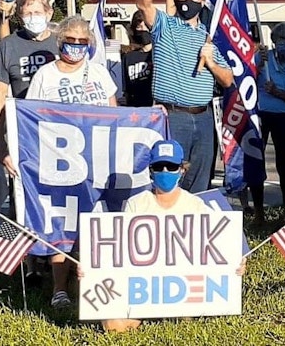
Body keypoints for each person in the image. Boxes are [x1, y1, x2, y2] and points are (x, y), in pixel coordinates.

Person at [90, 139, 244, 333]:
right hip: (143, 289)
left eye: (171, 166)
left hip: (184, 288)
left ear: (182, 170)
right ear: (150, 171)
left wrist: (233, 265)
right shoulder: (135, 204)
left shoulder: (196, 205)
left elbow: (217, 249)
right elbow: (120, 252)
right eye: (158, 166)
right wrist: (92, 270)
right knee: (113, 325)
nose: (164, 171)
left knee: (185, 322)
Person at [25, 15, 118, 309]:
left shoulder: (101, 73)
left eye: (82, 42)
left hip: (98, 162)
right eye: (71, 41)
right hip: (60, 164)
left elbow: (115, 115)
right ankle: (59, 289)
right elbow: (31, 117)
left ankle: (95, 283)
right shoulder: (45, 75)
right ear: (60, 40)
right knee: (62, 227)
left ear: (89, 44)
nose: (76, 46)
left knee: (98, 224)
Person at [136, 0, 234, 194]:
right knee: (168, 175)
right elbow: (143, 4)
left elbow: (228, 79)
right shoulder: (164, 26)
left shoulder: (208, 37)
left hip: (203, 117)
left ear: (202, 2)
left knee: (201, 178)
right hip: (173, 115)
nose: (188, 1)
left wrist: (211, 63)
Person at [0, 0, 59, 175]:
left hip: (59, 126)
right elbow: (0, 95)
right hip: (24, 130)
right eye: (28, 13)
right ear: (20, 16)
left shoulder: (61, 43)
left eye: (37, 12)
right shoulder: (10, 45)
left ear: (49, 13)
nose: (33, 17)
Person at [249, 22, 285, 222]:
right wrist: (258, 65)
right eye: (282, 38)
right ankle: (258, 210)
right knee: (256, 160)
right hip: (261, 114)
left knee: (284, 163)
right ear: (273, 40)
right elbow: (245, 83)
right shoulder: (263, 57)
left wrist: (278, 93)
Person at [121, 10, 154, 107]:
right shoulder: (128, 57)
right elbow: (126, 88)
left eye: (146, 26)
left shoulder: (160, 54)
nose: (143, 30)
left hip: (154, 109)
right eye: (139, 27)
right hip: (135, 110)